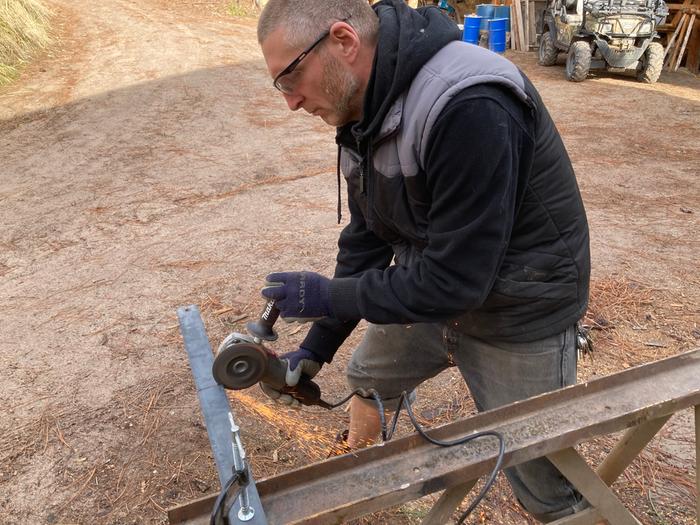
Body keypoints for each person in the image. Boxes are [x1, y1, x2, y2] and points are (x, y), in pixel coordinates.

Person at [255, 0, 591, 522]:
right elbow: (368, 238)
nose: (291, 102)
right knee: (369, 374)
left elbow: (456, 282)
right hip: (441, 287)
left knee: (542, 475)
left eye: (290, 77)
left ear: (343, 41)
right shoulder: (362, 109)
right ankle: (360, 473)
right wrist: (317, 346)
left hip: (520, 306)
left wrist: (329, 293)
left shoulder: (469, 104)